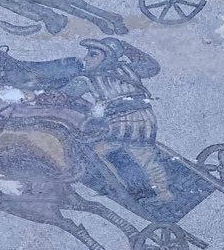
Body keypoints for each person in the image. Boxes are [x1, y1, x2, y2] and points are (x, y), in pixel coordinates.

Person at [59, 36, 172, 201]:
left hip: (122, 123)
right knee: (142, 155)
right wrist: (127, 48)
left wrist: (38, 94)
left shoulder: (88, 78)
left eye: (93, 54)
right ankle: (157, 191)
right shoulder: (129, 70)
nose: (86, 58)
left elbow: (64, 95)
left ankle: (146, 191)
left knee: (105, 154)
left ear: (107, 56)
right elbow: (151, 66)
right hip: (145, 119)